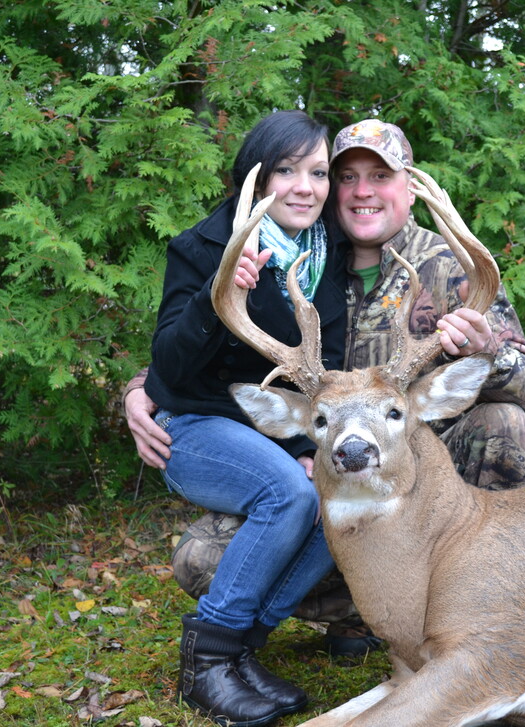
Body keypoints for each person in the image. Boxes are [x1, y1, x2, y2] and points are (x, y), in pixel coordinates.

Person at [126, 118, 525, 655]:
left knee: (505, 427)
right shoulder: (306, 265)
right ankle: (359, 614)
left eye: (381, 175)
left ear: (410, 190)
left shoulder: (449, 268)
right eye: (347, 177)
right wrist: (140, 389)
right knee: (203, 559)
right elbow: (225, 359)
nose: (363, 191)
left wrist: (487, 350)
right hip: (340, 470)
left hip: (428, 480)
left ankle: (494, 607)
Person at [145, 110, 348, 727]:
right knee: (286, 494)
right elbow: (170, 368)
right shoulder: (204, 246)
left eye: (317, 172)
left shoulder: (328, 250)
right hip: (194, 427)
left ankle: (242, 650)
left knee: (331, 495)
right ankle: (205, 660)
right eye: (286, 170)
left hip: (278, 432)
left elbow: (324, 362)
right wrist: (217, 294)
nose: (304, 187)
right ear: (255, 179)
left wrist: (307, 445)